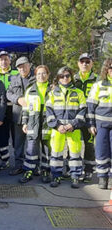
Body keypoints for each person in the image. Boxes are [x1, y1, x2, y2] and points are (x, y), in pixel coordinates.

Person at [46, 66, 86, 189]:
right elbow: (49, 112)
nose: (65, 78)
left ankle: (75, 176)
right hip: (58, 130)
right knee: (56, 153)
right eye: (62, 76)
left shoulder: (79, 93)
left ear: (71, 77)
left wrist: (72, 125)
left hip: (73, 129)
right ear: (58, 78)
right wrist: (58, 126)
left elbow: (83, 111)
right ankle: (56, 176)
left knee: (75, 153)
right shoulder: (52, 93)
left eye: (67, 76)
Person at [19, 65, 51, 183]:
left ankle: (45, 170)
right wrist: (24, 122)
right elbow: (25, 109)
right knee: (31, 147)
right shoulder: (30, 89)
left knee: (47, 148)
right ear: (35, 75)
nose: (41, 76)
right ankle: (29, 170)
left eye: (44, 73)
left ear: (48, 75)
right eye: (38, 74)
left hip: (48, 122)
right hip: (33, 122)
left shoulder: (53, 89)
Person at [6, 56, 36, 176]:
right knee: (18, 144)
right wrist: (17, 99)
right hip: (18, 115)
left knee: (33, 143)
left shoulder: (36, 79)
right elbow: (8, 93)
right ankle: (19, 166)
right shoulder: (14, 80)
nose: (22, 68)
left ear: (29, 65)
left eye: (24, 65)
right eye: (19, 67)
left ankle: (34, 166)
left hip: (33, 116)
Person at [87, 58, 112, 189]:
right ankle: (102, 178)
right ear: (106, 70)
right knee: (101, 152)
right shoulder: (99, 85)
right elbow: (91, 106)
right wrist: (91, 124)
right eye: (111, 68)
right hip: (101, 124)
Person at [74, 53, 98, 182]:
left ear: (91, 64)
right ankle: (74, 170)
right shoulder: (72, 78)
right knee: (74, 144)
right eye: (82, 61)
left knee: (89, 145)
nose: (84, 64)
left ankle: (88, 170)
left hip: (90, 118)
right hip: (76, 118)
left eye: (87, 62)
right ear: (78, 64)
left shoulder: (98, 79)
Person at [0, 51, 18, 170]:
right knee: (2, 136)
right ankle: (5, 160)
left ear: (10, 61)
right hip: (1, 110)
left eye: (6, 59)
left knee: (17, 136)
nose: (4, 61)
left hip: (16, 108)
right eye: (1, 59)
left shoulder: (16, 73)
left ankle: (19, 162)